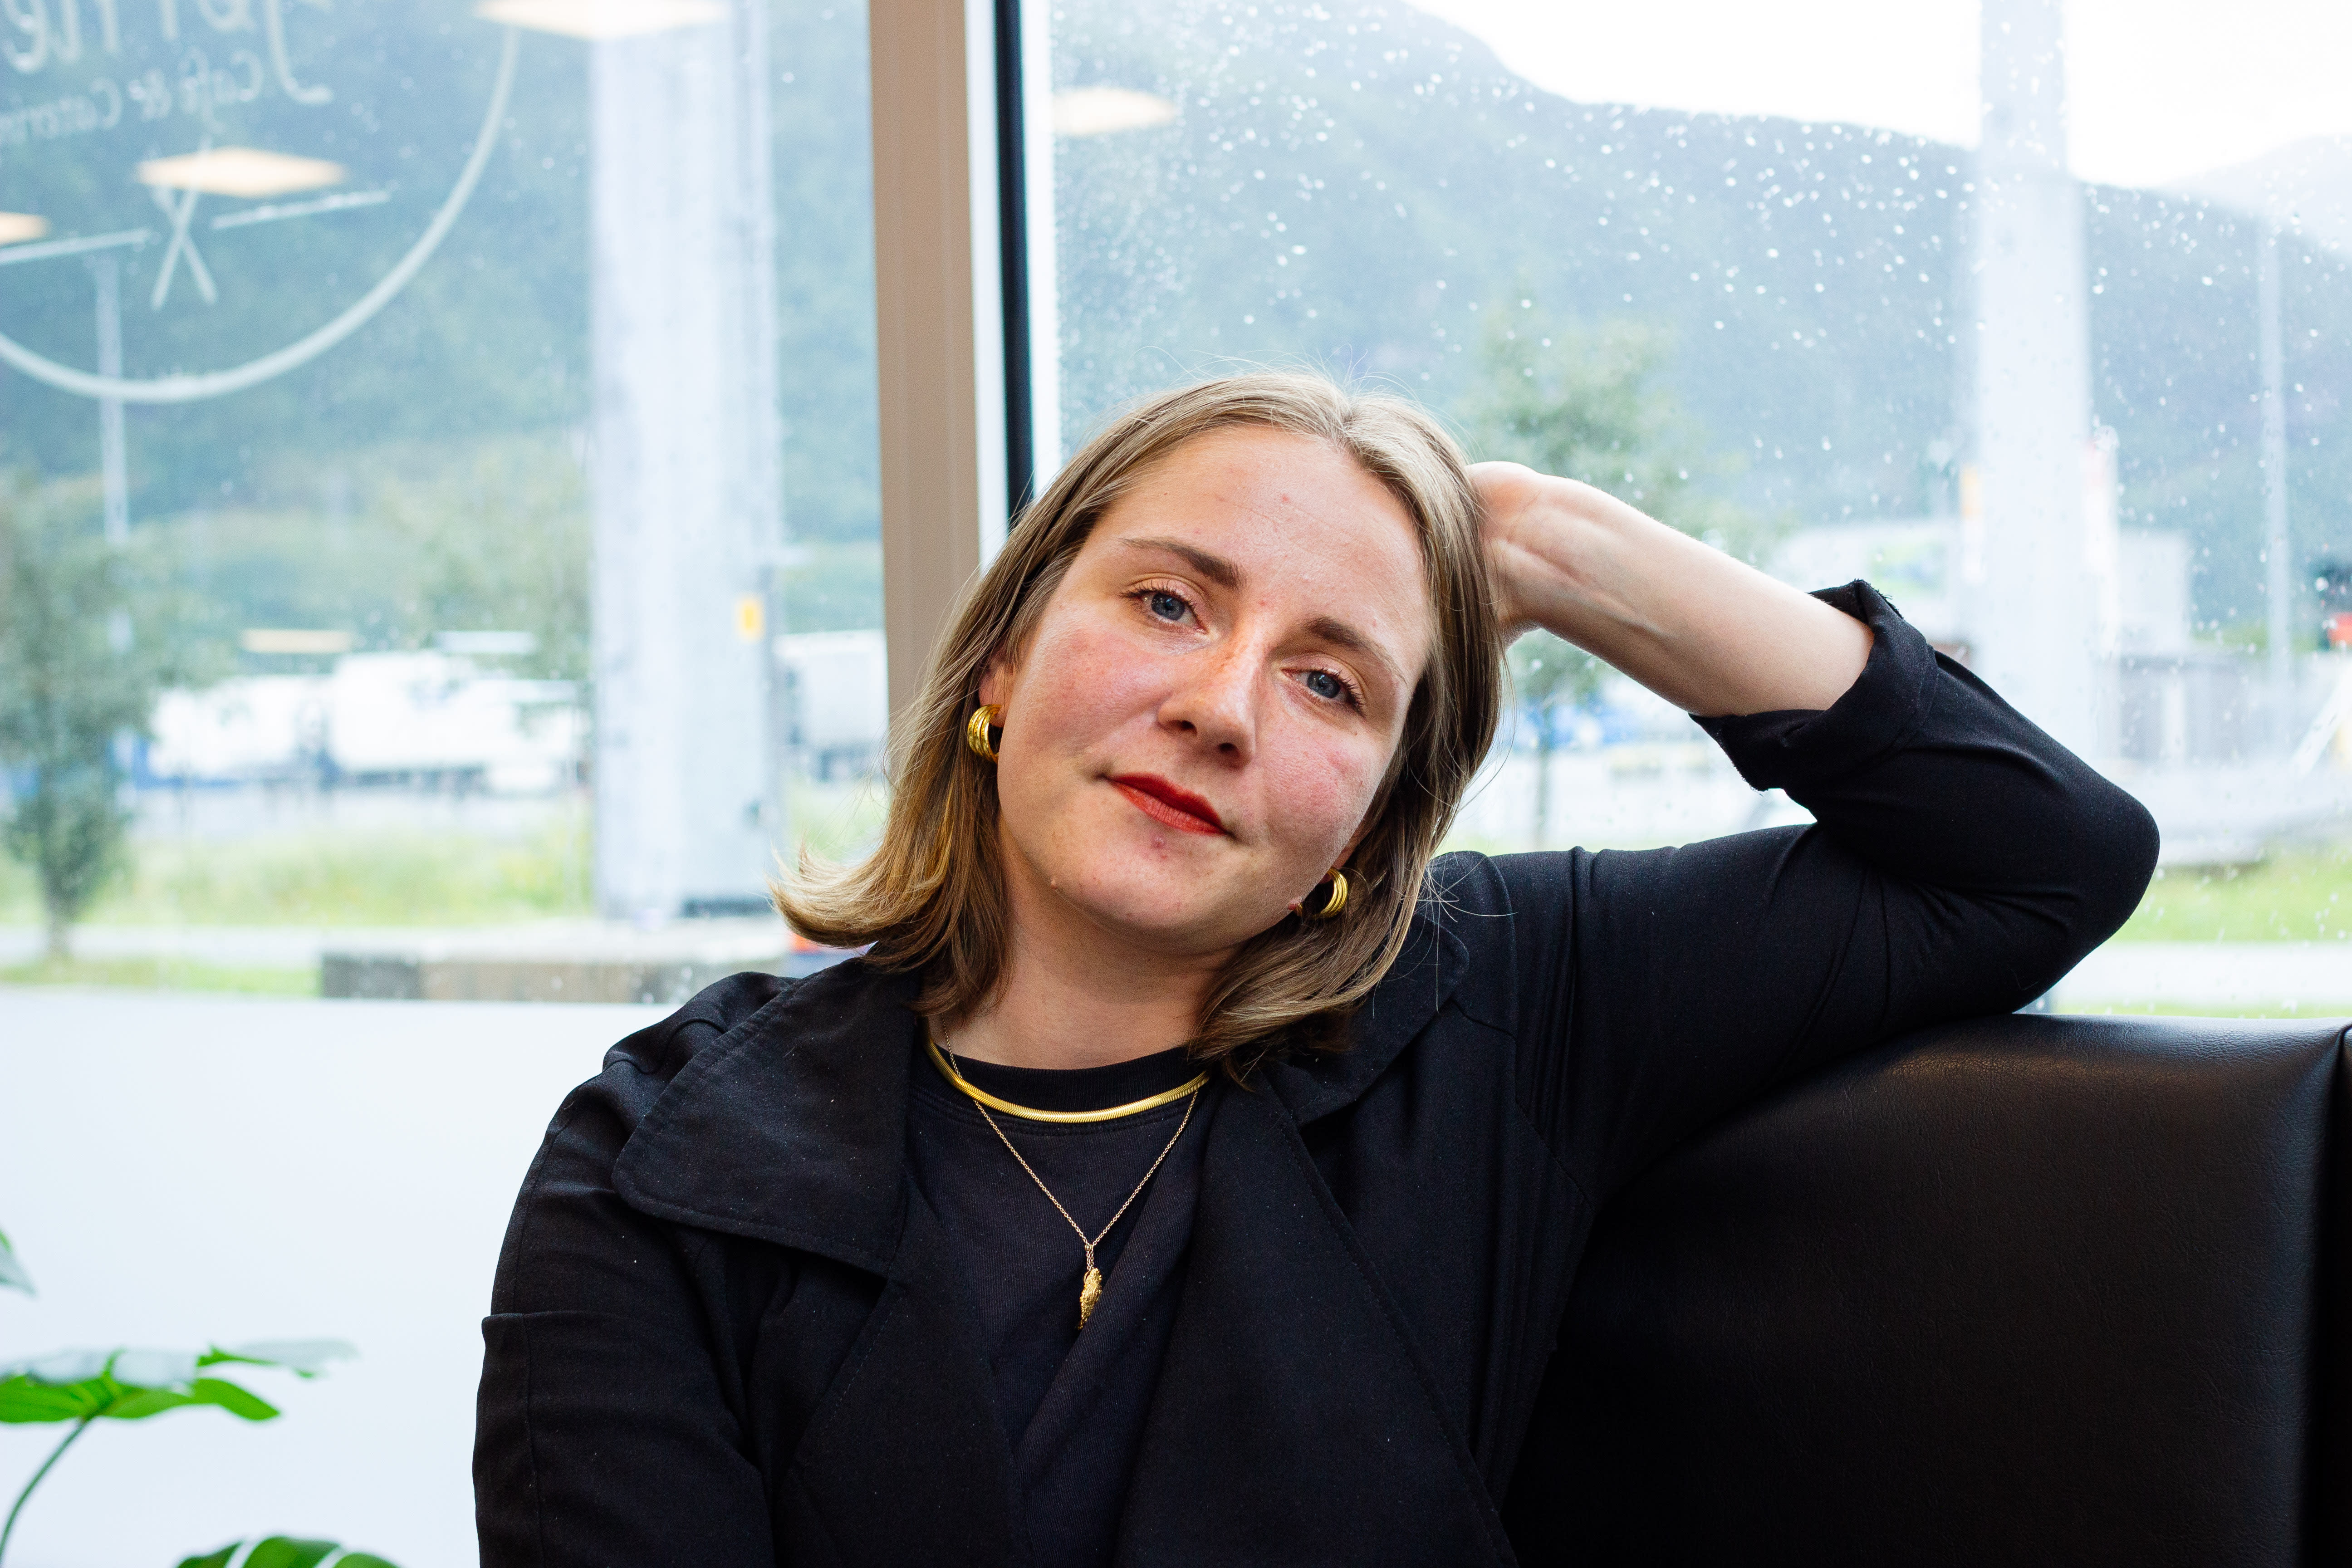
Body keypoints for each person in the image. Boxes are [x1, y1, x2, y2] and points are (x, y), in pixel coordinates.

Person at [474, 372, 2156, 1567]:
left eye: (1332, 683)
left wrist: (1549, 545)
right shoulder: (663, 1161)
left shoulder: (1508, 1002)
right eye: (1167, 604)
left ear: (1379, 816)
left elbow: (2040, 855)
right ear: (1003, 655)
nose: (1219, 706)